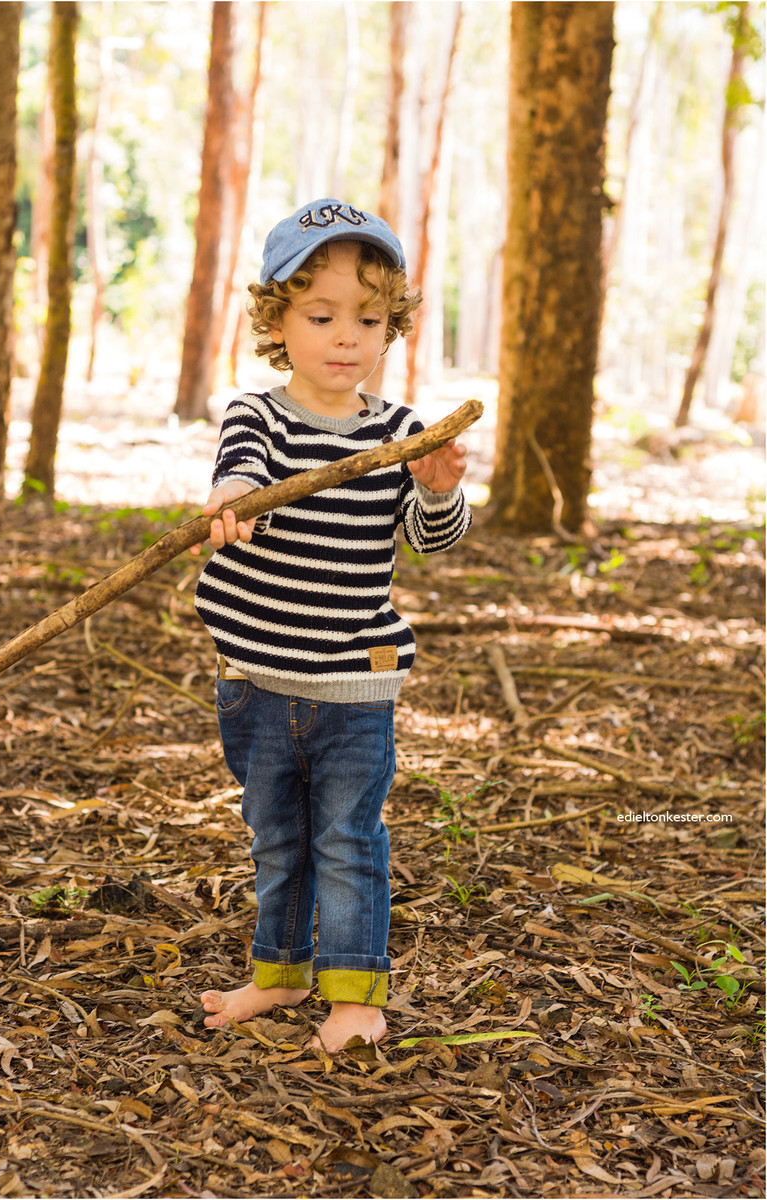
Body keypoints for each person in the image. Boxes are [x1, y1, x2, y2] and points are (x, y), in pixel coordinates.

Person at [192, 198, 471, 1052]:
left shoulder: (396, 433)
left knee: (348, 840)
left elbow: (430, 541)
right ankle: (277, 974)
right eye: (321, 315)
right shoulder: (260, 417)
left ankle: (354, 992)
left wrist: (436, 486)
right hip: (259, 682)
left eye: (369, 318)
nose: (346, 337)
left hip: (355, 682)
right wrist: (233, 500)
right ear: (278, 319)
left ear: (392, 328)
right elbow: (239, 475)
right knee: (276, 836)